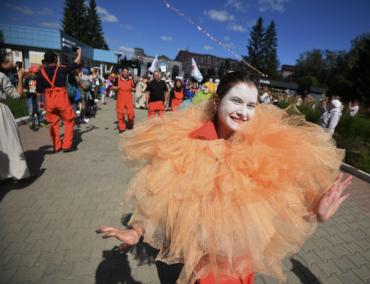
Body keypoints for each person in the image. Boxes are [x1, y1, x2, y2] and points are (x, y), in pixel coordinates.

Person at [97, 72, 352, 283]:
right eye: (236, 101)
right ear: (218, 102)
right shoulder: (188, 144)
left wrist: (314, 214)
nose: (243, 112)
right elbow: (158, 196)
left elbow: (281, 203)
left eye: (251, 105)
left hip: (240, 263)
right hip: (200, 265)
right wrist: (137, 230)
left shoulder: (262, 149)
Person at [36, 48, 81, 152]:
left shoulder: (40, 73)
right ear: (55, 59)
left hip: (49, 101)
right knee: (69, 120)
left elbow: (37, 91)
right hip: (62, 100)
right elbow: (76, 63)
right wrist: (79, 53)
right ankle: (66, 145)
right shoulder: (62, 69)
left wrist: (40, 103)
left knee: (53, 124)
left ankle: (57, 146)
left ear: (45, 61)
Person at [0, 50, 30, 180]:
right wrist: (20, 77)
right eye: (11, 60)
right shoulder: (1, 76)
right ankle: (19, 173)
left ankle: (3, 174)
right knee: (10, 141)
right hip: (1, 112)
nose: (13, 62)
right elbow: (17, 95)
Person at [112, 67, 135, 133]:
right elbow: (112, 87)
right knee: (120, 113)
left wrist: (133, 89)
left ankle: (130, 124)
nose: (125, 73)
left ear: (128, 73)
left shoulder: (131, 80)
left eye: (127, 72)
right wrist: (117, 88)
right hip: (120, 99)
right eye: (124, 71)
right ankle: (122, 127)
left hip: (129, 99)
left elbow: (134, 88)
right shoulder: (117, 79)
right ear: (121, 72)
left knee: (131, 114)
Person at [24, 66, 41, 131]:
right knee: (31, 111)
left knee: (38, 110)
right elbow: (28, 88)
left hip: (36, 96)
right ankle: (32, 123)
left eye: (37, 73)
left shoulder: (36, 78)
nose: (36, 74)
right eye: (35, 73)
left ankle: (39, 122)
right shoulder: (29, 78)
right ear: (31, 72)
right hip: (30, 97)